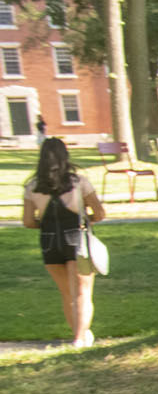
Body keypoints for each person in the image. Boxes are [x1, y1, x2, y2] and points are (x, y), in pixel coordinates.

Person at [21, 137, 105, 347]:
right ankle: (79, 338)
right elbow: (100, 213)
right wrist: (87, 220)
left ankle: (81, 335)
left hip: (49, 242)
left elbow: (29, 221)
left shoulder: (32, 187)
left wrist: (46, 223)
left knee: (67, 293)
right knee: (82, 293)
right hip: (77, 239)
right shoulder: (79, 183)